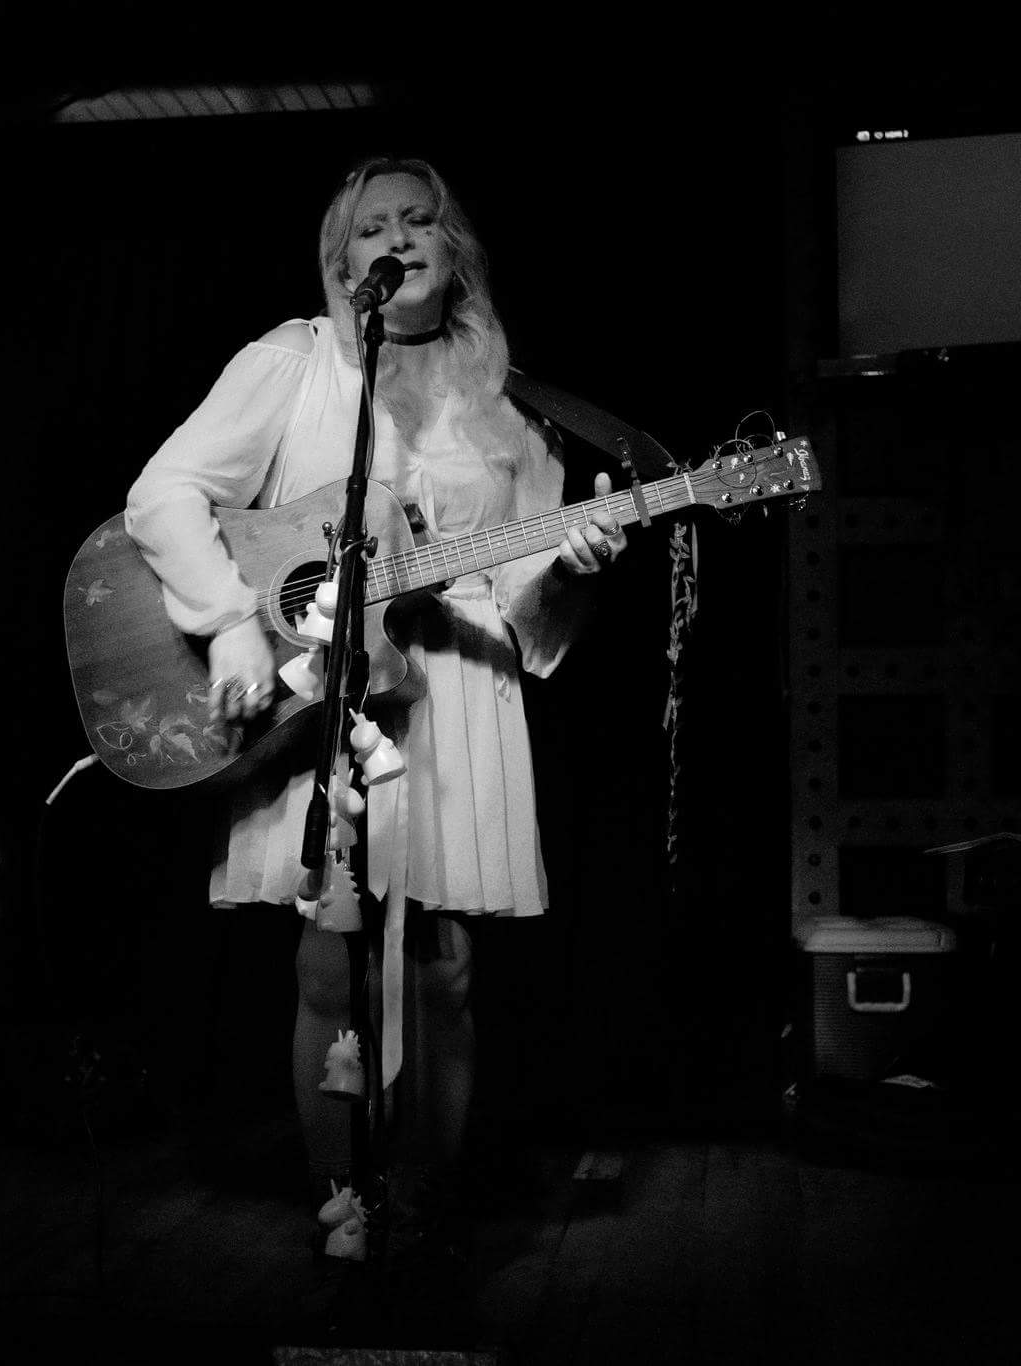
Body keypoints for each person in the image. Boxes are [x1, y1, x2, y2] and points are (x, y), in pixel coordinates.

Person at [123, 155, 624, 1259]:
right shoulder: (294, 362)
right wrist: (230, 622)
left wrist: (570, 565)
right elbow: (164, 494)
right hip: (322, 680)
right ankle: (342, 1205)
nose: (394, 239)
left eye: (418, 220)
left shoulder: (509, 403)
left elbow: (527, 602)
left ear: (454, 248)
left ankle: (423, 1203)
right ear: (340, 259)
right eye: (368, 227)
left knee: (444, 966)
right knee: (327, 954)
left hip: (458, 686)